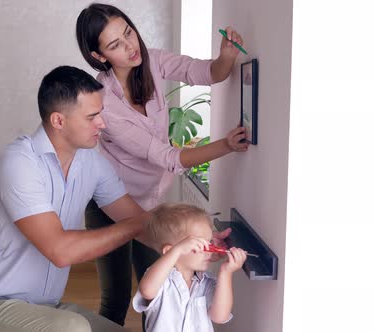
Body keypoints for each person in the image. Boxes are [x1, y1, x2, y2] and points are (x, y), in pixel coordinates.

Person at [76, 3, 248, 326]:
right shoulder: (105, 104)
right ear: (99, 57)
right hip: (110, 206)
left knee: (160, 290)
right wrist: (225, 144)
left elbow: (207, 72)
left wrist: (226, 57)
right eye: (115, 45)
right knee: (115, 300)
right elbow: (169, 158)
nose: (130, 46)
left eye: (128, 32)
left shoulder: (152, 60)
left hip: (151, 205)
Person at [0, 65, 156, 332]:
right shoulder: (19, 162)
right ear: (59, 120)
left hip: (44, 307)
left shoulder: (93, 163)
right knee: (72, 328)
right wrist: (136, 226)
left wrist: (194, 239)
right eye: (92, 116)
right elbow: (61, 251)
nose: (102, 123)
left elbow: (137, 219)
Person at [132, 203, 247, 332]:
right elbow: (147, 291)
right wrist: (176, 252)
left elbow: (220, 317)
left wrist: (226, 272)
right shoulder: (161, 280)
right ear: (171, 250)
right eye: (199, 245)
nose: (209, 251)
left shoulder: (207, 283)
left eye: (209, 243)